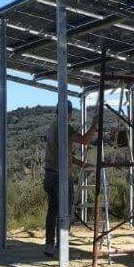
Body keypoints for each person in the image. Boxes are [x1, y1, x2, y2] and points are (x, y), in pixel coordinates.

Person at [43, 100, 98, 257]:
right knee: (65, 212)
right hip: (60, 175)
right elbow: (85, 140)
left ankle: (49, 246)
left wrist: (82, 164)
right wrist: (94, 125)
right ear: (69, 113)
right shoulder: (64, 127)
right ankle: (62, 248)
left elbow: (64, 153)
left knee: (53, 211)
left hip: (49, 174)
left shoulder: (52, 127)